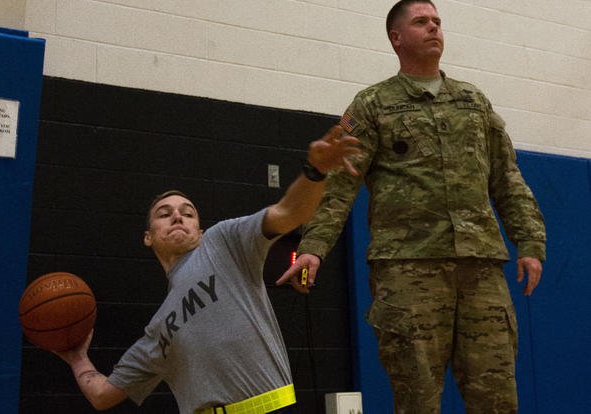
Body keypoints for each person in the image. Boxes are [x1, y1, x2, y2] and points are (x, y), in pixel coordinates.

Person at [277, 1, 546, 413]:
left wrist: (528, 241)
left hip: (480, 268)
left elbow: (506, 178)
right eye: (421, 22)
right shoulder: (372, 105)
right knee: (417, 399)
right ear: (396, 38)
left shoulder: (474, 101)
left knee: (497, 399)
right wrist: (313, 247)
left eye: (438, 21)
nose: (434, 27)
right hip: (407, 270)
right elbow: (340, 183)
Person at [53, 125, 361, 413]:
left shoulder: (223, 242)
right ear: (148, 237)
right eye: (165, 214)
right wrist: (77, 358)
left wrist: (316, 171)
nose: (177, 217)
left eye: (187, 213)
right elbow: (102, 395)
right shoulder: (158, 328)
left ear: (199, 231)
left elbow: (290, 211)